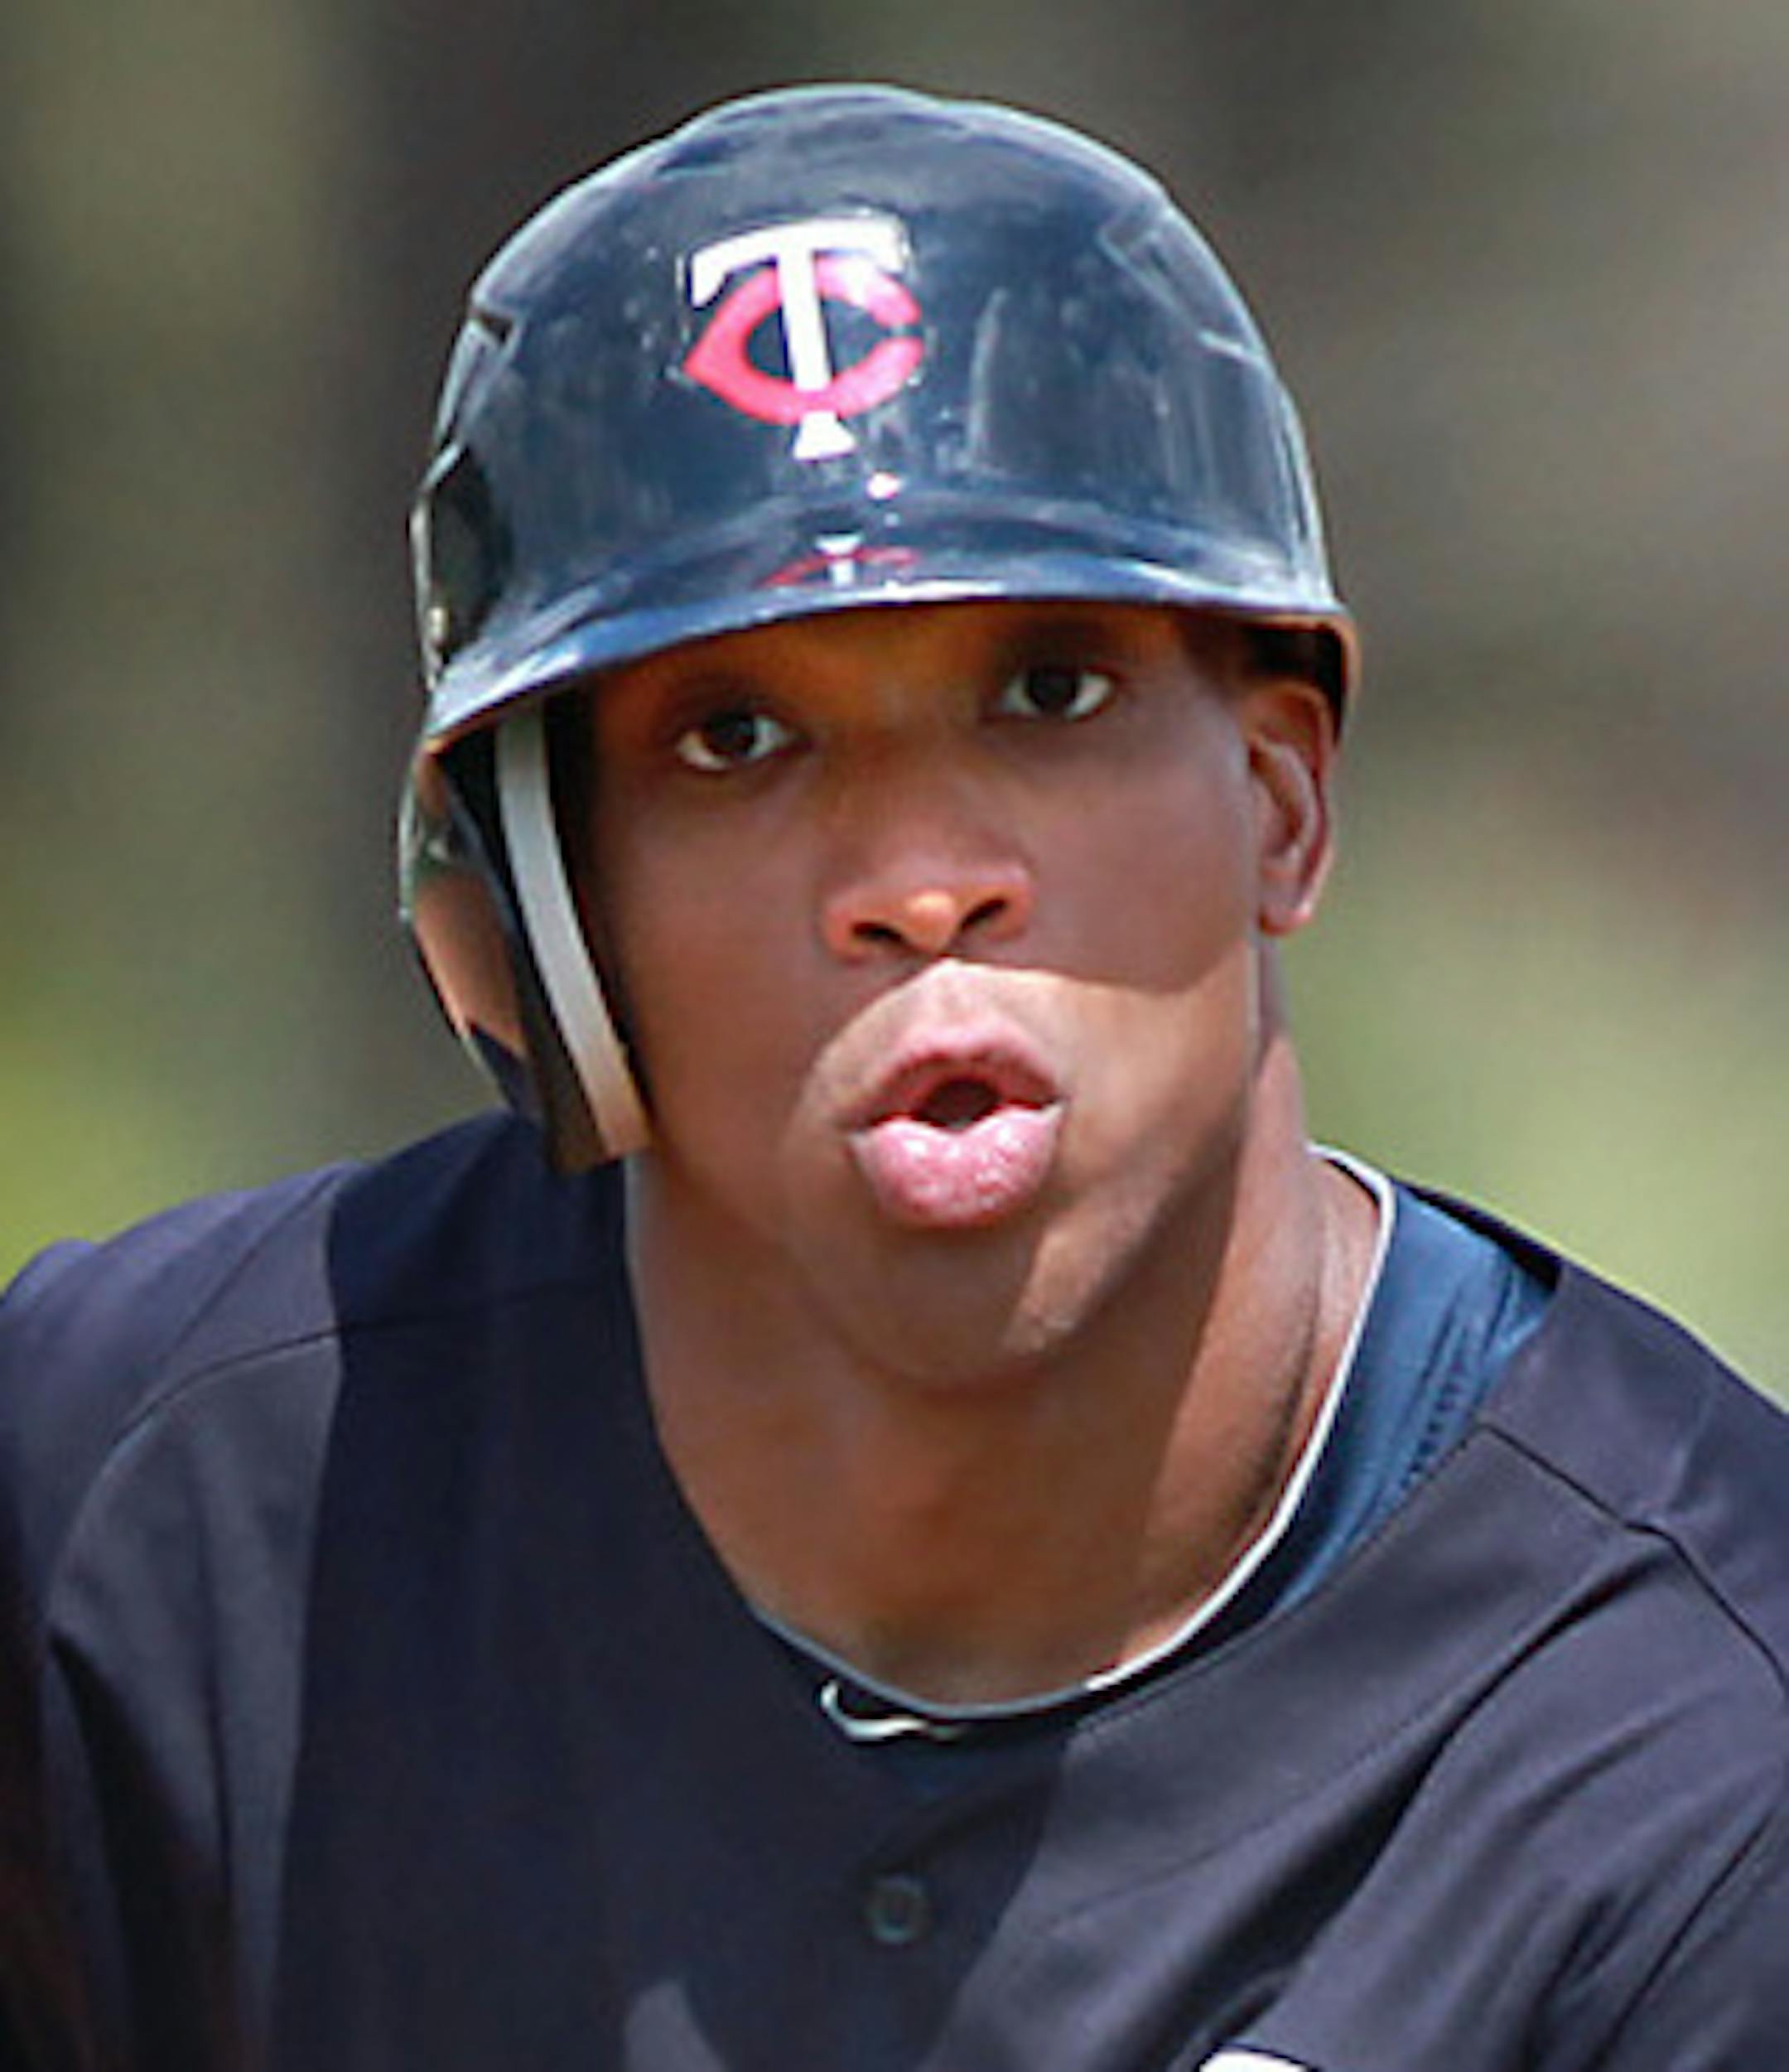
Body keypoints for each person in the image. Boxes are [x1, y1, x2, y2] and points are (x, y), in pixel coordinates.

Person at [2, 82, 1786, 2072]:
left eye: (1047, 690)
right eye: (736, 736)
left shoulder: (1702, 1746)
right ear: (529, 923)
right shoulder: (143, 1513)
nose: (920, 883)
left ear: (1282, 798)